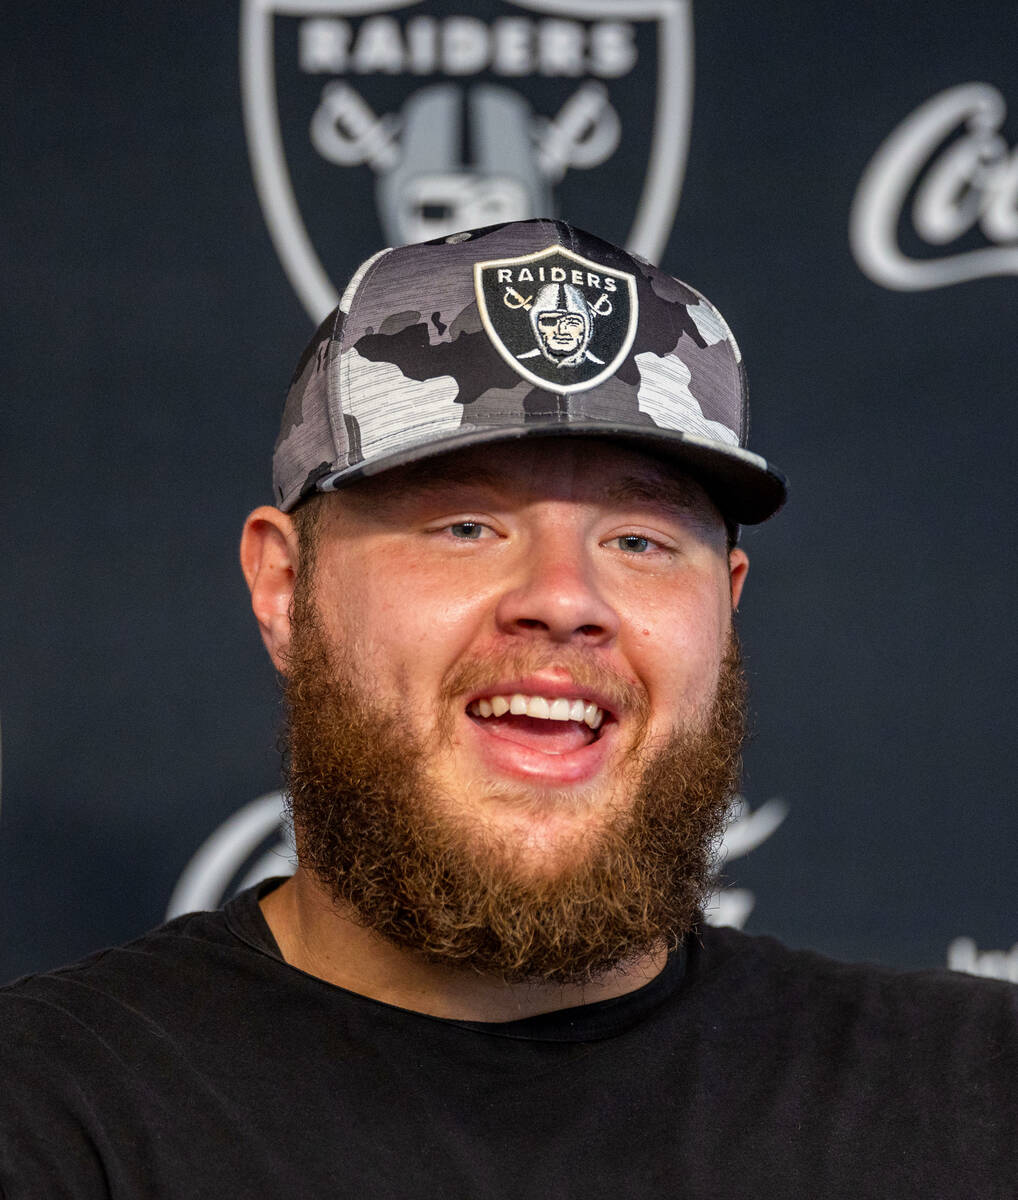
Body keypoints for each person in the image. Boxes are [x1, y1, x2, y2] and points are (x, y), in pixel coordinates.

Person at [2, 219, 1015, 1197]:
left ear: (726, 607)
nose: (565, 598)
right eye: (466, 524)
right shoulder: (51, 1113)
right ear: (283, 589)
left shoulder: (973, 1098)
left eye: (639, 540)